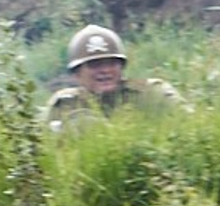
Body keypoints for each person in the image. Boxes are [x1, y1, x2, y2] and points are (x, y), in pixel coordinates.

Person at [46, 23, 183, 129]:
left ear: (121, 67)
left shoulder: (152, 94)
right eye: (95, 64)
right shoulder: (64, 105)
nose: (105, 70)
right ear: (77, 74)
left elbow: (191, 128)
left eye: (111, 63)